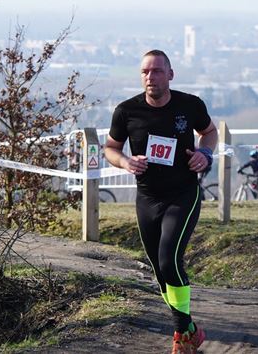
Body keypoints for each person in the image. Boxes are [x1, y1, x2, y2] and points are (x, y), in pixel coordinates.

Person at [103, 50, 217, 354]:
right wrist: (126, 162)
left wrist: (204, 155)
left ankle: (181, 335)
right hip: (147, 197)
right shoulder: (127, 111)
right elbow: (111, 148)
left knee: (169, 259)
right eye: (145, 72)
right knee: (158, 269)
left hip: (182, 195)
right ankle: (191, 329)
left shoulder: (189, 105)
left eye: (156, 71)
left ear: (170, 74)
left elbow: (209, 132)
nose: (150, 77)